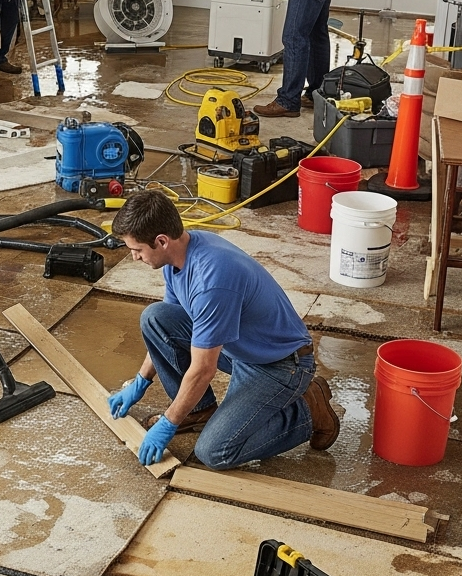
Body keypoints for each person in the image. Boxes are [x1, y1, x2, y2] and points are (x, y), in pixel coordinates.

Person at [106, 190, 340, 469]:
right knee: (155, 317)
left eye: (137, 250)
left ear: (161, 241)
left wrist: (169, 422)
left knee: (215, 452)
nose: (134, 257)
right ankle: (198, 411)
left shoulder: (211, 281)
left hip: (280, 365)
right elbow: (168, 325)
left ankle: (308, 411)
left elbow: (203, 369)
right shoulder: (176, 258)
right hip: (241, 346)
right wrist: (139, 383)